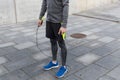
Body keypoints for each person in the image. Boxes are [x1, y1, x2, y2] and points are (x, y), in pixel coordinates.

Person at [38, 0, 69, 78]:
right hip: (49, 21)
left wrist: (64, 25)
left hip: (59, 22)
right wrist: (40, 17)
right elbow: (44, 4)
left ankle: (64, 67)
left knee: (61, 44)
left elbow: (66, 6)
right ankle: (54, 62)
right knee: (52, 41)